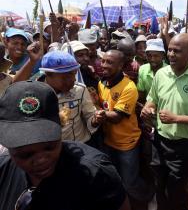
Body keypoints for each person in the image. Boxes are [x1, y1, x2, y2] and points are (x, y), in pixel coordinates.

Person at [0, 81, 130, 210]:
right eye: (25, 154)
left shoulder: (96, 172)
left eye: (49, 147)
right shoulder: (3, 168)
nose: (41, 159)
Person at [141, 33, 188, 210]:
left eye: (177, 51)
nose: (171, 54)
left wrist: (176, 119)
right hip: (160, 140)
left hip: (186, 145)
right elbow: (153, 98)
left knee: (176, 188)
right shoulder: (161, 73)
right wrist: (148, 108)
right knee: (159, 182)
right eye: (170, 50)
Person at [94, 50, 153, 206]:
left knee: (130, 182)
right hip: (108, 141)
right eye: (103, 61)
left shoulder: (129, 87)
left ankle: (149, 196)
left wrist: (96, 112)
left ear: (121, 65)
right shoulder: (101, 83)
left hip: (127, 143)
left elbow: (117, 117)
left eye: (109, 62)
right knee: (115, 177)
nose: (104, 65)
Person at [39, 51, 97, 142]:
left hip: (80, 145)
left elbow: (90, 116)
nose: (74, 79)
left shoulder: (80, 90)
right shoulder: (35, 95)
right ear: (48, 74)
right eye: (66, 77)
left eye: (74, 74)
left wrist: (96, 120)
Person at [137, 38, 166, 103]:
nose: (152, 59)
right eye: (149, 55)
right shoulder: (142, 69)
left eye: (156, 56)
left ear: (163, 56)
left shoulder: (169, 71)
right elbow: (141, 93)